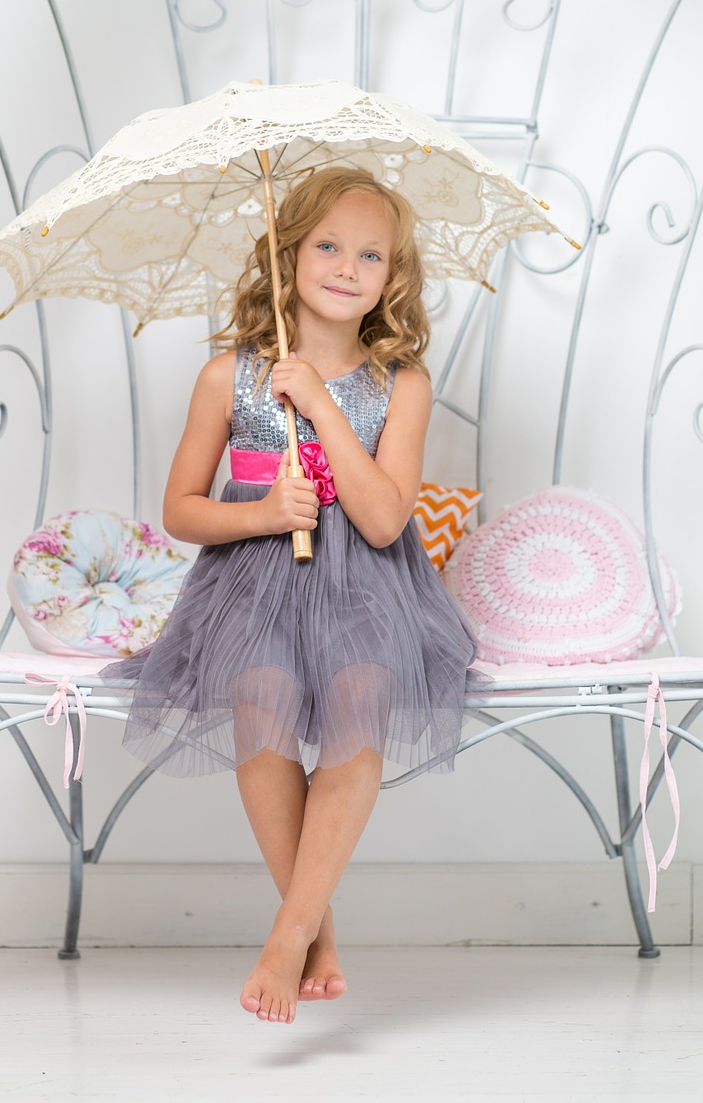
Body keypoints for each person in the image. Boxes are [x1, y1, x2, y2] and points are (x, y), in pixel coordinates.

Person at [102, 165, 478, 1024]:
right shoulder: (226, 378)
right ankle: (318, 927)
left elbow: (384, 521)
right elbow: (180, 512)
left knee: (361, 695)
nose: (349, 267)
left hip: (368, 590)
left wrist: (319, 399)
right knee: (260, 696)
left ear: (394, 276)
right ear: (288, 255)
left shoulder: (401, 384)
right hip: (253, 583)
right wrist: (268, 511)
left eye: (372, 254)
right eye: (328, 246)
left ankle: (288, 933)